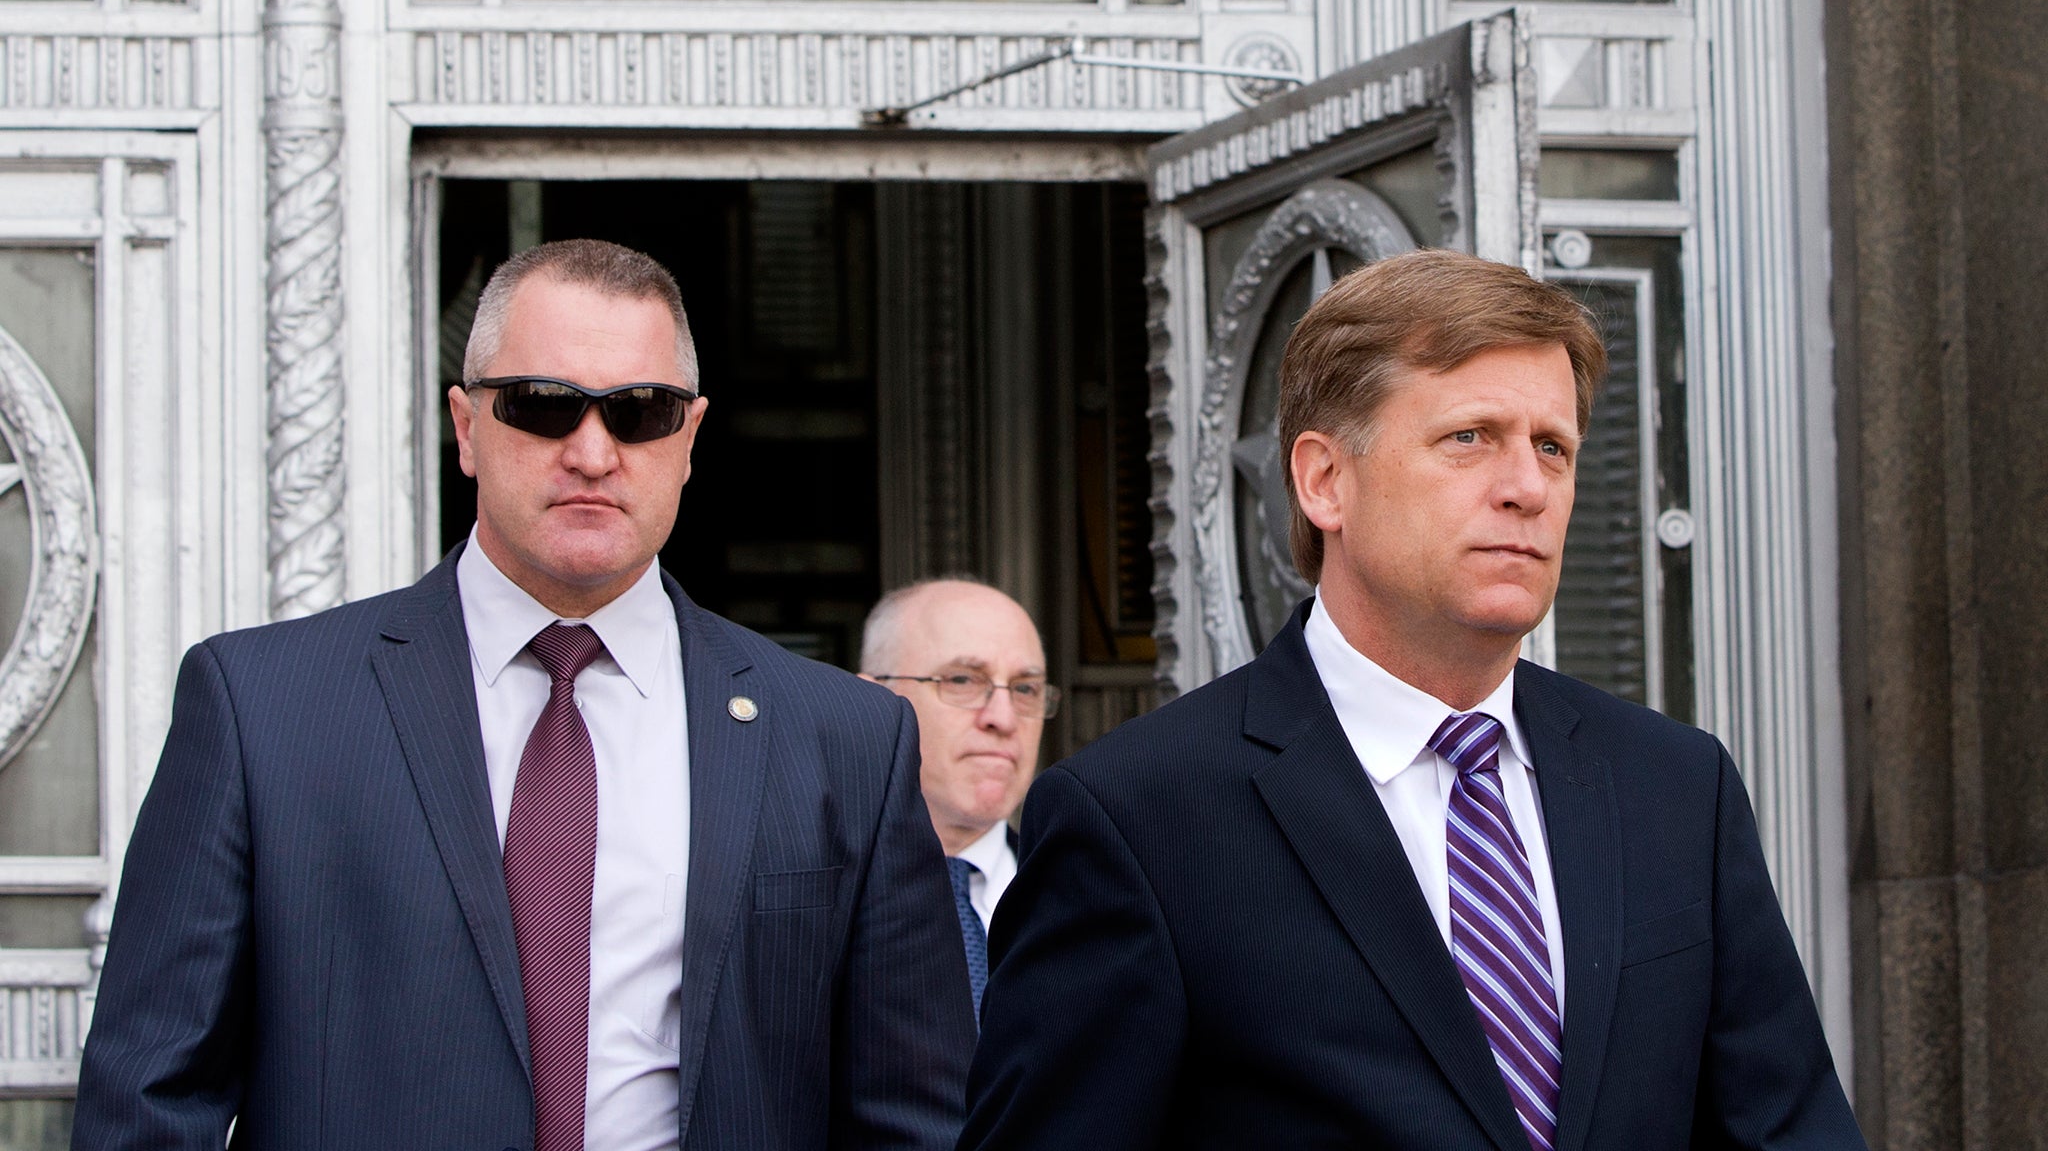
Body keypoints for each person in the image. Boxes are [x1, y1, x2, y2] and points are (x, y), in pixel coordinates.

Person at [75, 239, 974, 1151]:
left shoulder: (846, 739)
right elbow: (150, 1102)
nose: (593, 452)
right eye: (544, 406)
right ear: (466, 429)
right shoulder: (261, 709)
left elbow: (911, 1120)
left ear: (689, 438)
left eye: (641, 413)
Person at [961, 249, 1865, 1151]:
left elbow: (1790, 1129)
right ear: (1324, 481)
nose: (1527, 488)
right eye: (1469, 438)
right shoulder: (1137, 816)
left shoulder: (1674, 785)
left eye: (1553, 447)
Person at [859, 579, 1053, 1021]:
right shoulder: (810, 899)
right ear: (869, 699)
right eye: (963, 680)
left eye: (1024, 688)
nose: (1003, 719)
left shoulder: (1086, 897)